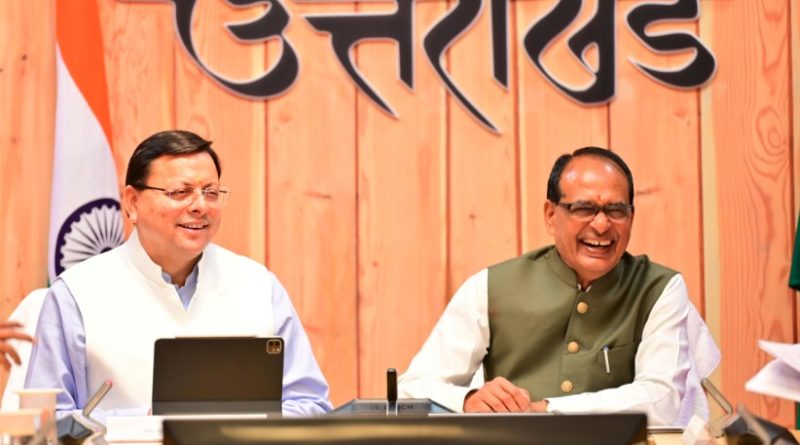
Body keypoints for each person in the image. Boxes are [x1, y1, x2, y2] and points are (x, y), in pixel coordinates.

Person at [25, 130, 332, 418]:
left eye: (211, 193)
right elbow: (44, 421)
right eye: (180, 192)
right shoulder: (77, 293)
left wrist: (237, 425)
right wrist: (144, 423)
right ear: (132, 202)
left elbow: (311, 404)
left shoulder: (259, 286)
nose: (200, 206)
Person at [398, 147, 692, 426]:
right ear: (551, 216)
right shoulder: (491, 286)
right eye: (583, 208)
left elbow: (662, 400)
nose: (602, 225)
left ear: (631, 217)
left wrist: (545, 409)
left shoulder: (659, 288)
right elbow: (410, 391)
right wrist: (467, 400)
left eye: (616, 210)